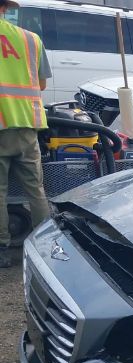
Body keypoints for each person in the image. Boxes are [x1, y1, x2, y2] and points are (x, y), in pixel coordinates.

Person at [0, 0, 51, 268]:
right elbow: (41, 84)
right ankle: (46, 245)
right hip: (27, 123)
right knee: (36, 190)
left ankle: (2, 249)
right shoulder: (31, 39)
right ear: (4, 8)